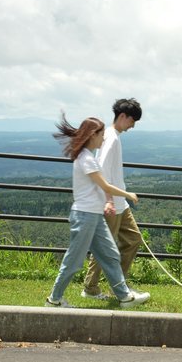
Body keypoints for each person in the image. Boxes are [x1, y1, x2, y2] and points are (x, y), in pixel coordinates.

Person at [45, 114, 150, 308]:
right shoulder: (86, 159)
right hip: (84, 216)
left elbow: (102, 189)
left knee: (110, 255)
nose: (103, 138)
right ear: (92, 135)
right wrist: (128, 195)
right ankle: (54, 299)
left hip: (94, 216)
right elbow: (106, 186)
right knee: (74, 261)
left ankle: (124, 297)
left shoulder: (88, 157)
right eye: (101, 135)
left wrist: (109, 201)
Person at [81, 98, 144, 300]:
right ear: (123, 116)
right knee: (104, 247)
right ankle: (91, 288)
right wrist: (108, 200)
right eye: (132, 120)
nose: (133, 126)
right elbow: (101, 170)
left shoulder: (112, 136)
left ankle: (120, 284)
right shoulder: (111, 138)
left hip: (120, 204)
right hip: (111, 204)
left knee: (133, 239)